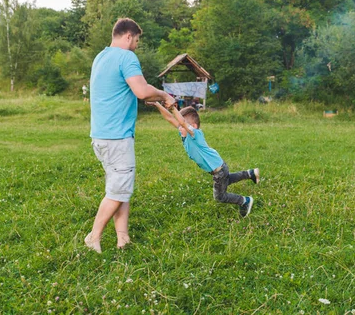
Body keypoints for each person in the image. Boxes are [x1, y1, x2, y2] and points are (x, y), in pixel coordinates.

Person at [84, 18, 175, 253]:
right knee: (117, 191)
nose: (136, 45)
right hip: (117, 137)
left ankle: (123, 239)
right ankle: (93, 236)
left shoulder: (100, 57)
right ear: (127, 36)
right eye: (136, 40)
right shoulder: (126, 57)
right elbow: (142, 92)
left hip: (100, 136)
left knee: (120, 188)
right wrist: (164, 95)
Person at [147, 102, 260, 217]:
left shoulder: (195, 134)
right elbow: (170, 118)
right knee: (227, 179)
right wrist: (157, 104)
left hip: (218, 171)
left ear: (193, 126)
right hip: (220, 166)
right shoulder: (185, 134)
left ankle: (244, 201)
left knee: (220, 196)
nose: (179, 127)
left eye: (183, 125)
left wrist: (172, 108)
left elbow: (181, 122)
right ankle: (249, 174)